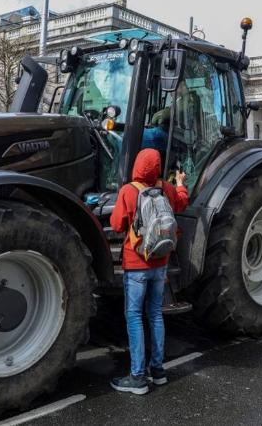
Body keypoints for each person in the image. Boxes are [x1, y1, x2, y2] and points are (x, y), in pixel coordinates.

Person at [109, 148, 189, 395]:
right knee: (155, 314)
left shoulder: (128, 191)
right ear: (157, 166)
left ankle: (137, 377)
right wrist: (180, 184)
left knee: (134, 316)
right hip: (160, 262)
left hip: (136, 264)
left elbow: (116, 224)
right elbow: (182, 202)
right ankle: (158, 371)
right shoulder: (165, 187)